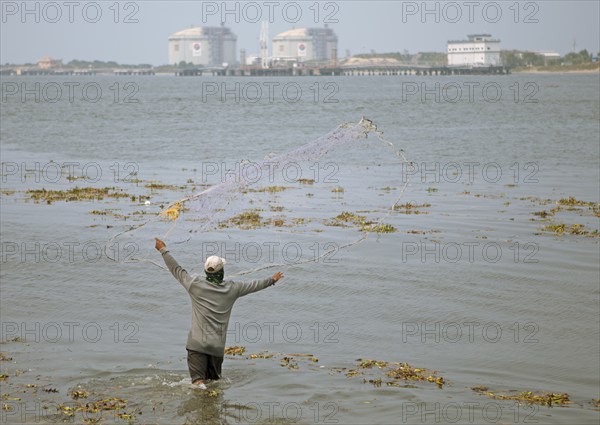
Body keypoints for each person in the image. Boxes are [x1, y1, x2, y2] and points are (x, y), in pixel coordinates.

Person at [154, 238, 283, 389]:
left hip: (196, 345)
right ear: (221, 271)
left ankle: (200, 403)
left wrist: (163, 249)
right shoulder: (233, 289)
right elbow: (254, 285)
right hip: (216, 349)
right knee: (214, 386)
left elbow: (176, 269)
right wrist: (272, 280)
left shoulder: (194, 285)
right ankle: (211, 411)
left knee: (198, 384)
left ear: (206, 271)